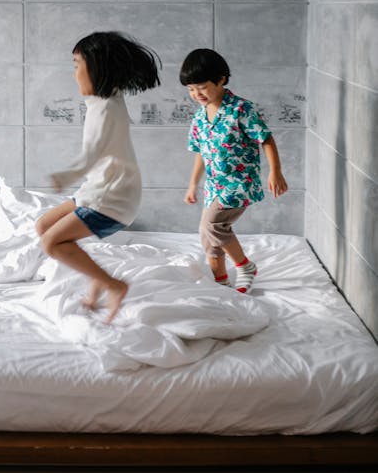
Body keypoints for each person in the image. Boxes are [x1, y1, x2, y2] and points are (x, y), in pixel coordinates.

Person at [36, 31, 161, 322]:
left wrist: (63, 176)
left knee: (52, 243)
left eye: (78, 64)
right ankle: (97, 280)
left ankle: (113, 285)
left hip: (111, 197)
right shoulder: (105, 101)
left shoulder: (105, 109)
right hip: (98, 190)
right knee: (44, 225)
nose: (74, 73)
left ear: (97, 69)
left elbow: (90, 154)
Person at [180, 48, 288, 293]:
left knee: (212, 227)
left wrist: (275, 171)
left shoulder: (241, 109)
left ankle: (244, 266)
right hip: (214, 185)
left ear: (221, 79)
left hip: (239, 182)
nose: (196, 94)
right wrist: (192, 184)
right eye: (190, 89)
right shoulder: (199, 117)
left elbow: (266, 138)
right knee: (208, 237)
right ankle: (222, 284)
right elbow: (201, 152)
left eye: (202, 87)